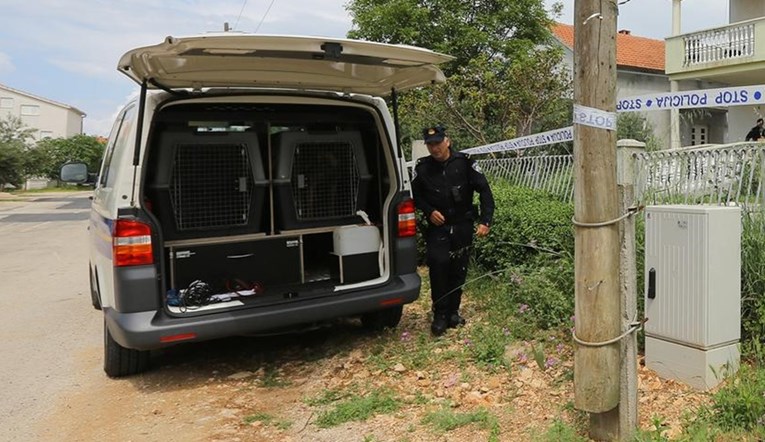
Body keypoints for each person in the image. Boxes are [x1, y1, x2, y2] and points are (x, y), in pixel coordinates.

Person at [411, 125, 495, 336]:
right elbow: (416, 196)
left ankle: (453, 313)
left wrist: (486, 220)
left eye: (437, 143)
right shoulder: (422, 169)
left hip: (462, 226)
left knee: (459, 268)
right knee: (438, 268)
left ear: (447, 141)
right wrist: (429, 211)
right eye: (430, 144)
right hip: (438, 228)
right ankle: (440, 315)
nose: (434, 148)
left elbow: (484, 191)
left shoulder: (465, 163)